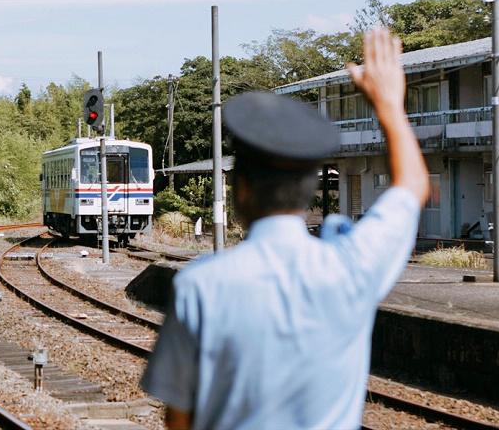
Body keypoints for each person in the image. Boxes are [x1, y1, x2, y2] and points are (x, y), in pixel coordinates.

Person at [140, 27, 429, 430]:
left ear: (241, 188)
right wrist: (389, 107)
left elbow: (179, 421)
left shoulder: (201, 285)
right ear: (310, 191)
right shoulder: (353, 267)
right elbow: (413, 185)